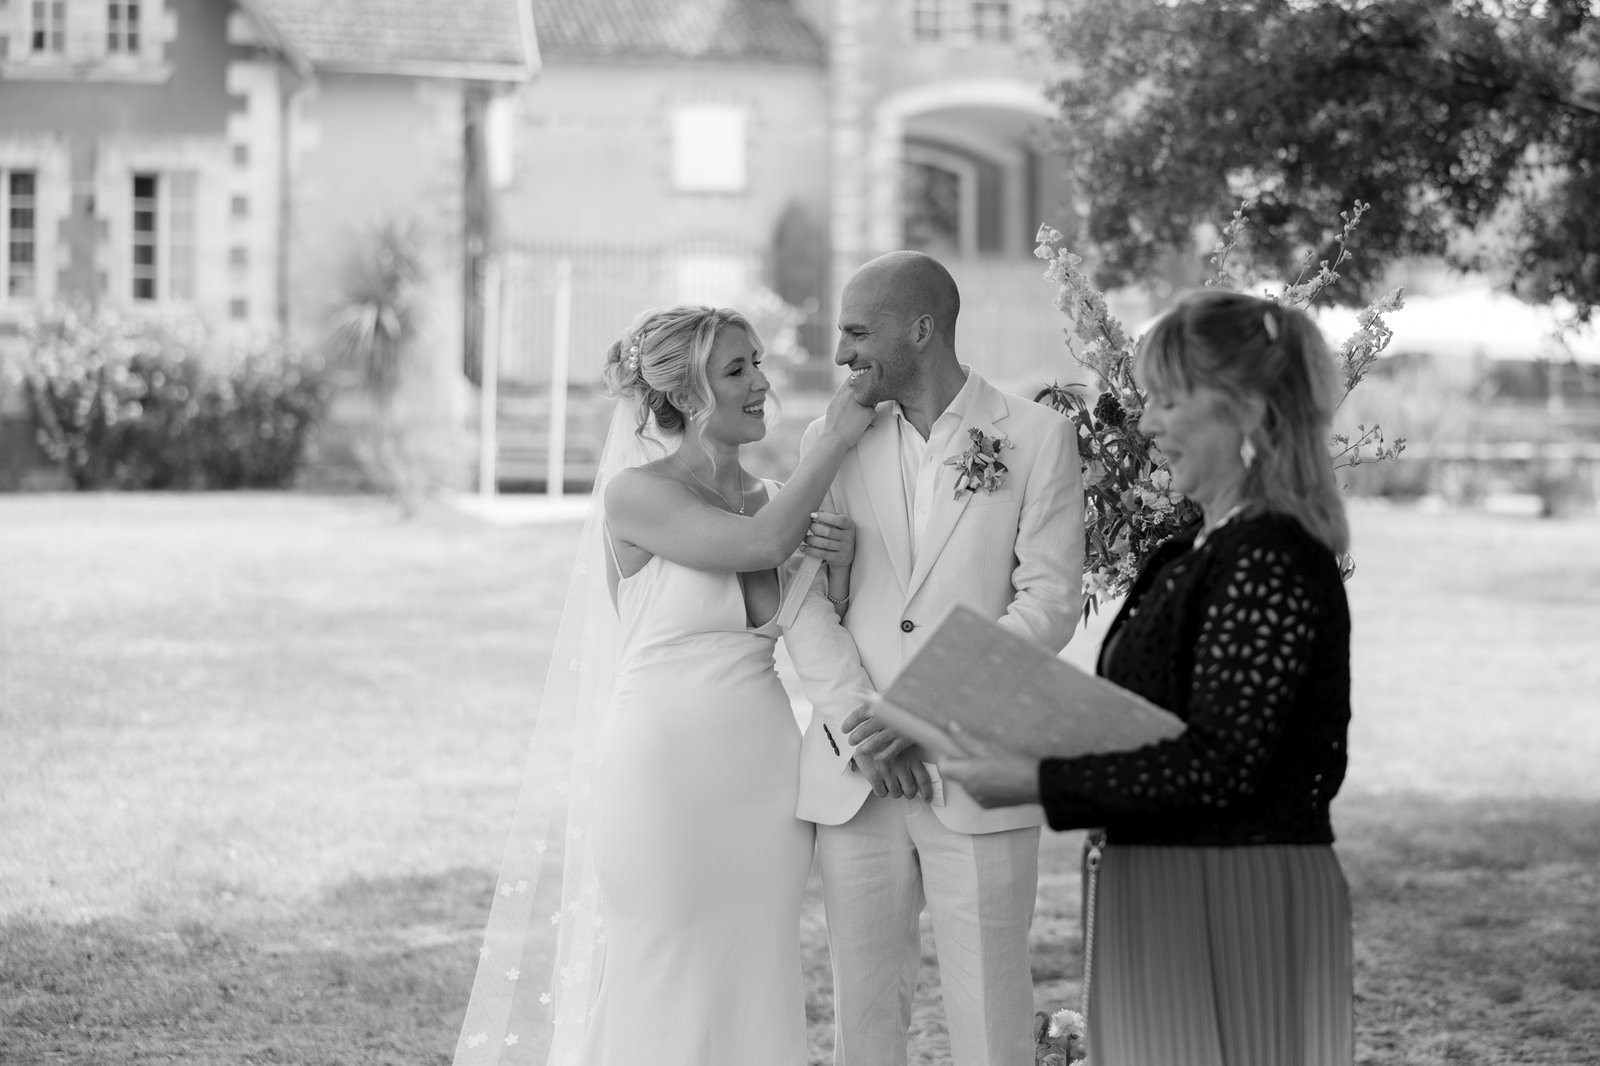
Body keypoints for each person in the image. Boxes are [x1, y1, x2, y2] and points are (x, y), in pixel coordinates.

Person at [451, 304, 879, 1066]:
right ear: (685, 397)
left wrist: (838, 570)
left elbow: (811, 628)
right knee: (664, 971)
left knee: (757, 972)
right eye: (737, 370)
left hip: (764, 780)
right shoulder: (635, 495)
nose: (761, 385)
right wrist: (839, 439)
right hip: (662, 776)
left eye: (758, 364)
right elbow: (757, 545)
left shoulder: (771, 495)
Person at [937, 290, 1355, 1066]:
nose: (1147, 423)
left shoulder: (1270, 556)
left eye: (1168, 400)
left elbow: (1226, 763)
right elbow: (1154, 721)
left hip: (1233, 900)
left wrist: (1038, 778)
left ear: (1249, 412)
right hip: (1166, 890)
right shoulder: (1191, 551)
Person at [796, 251, 1085, 1066]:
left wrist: (925, 710)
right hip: (857, 776)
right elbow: (804, 599)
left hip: (978, 760)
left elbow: (1050, 602)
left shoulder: (1035, 437)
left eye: (856, 332)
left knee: (992, 1010)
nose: (843, 353)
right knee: (864, 1018)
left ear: (921, 329)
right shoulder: (833, 437)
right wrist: (867, 726)